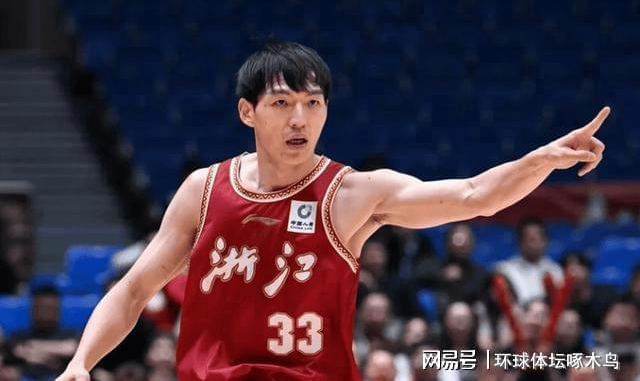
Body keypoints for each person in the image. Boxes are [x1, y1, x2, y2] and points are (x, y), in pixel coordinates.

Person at [56, 41, 609, 380]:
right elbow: (132, 291)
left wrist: (540, 160)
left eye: (313, 103)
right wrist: (81, 363)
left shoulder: (352, 194)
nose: (300, 118)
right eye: (282, 103)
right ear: (247, 112)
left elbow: (474, 196)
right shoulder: (204, 190)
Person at [495, 217, 564, 305]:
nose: (532, 244)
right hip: (518, 311)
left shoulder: (555, 270)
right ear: (519, 242)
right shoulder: (506, 269)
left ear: (546, 242)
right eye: (529, 239)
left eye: (536, 239)